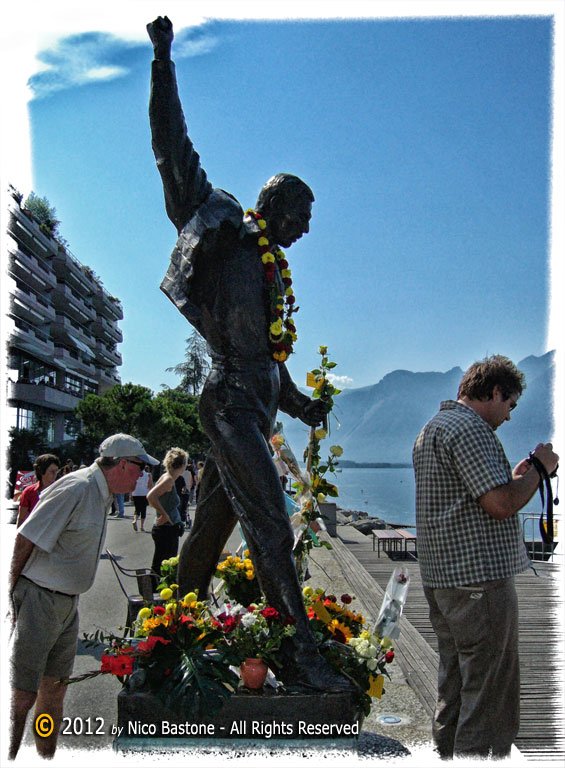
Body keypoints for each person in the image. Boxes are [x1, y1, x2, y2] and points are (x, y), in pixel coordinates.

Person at [147, 16, 350, 693]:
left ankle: (164, 624)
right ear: (276, 205)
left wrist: (300, 403)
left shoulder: (269, 274)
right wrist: (162, 58)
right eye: (303, 215)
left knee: (210, 529)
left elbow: (270, 358)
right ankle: (300, 654)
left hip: (254, 401)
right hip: (229, 404)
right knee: (268, 521)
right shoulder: (226, 231)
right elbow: (171, 146)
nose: (307, 228)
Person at [413, 355, 559, 760]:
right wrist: (540, 471)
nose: (510, 417)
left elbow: (470, 500)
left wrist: (517, 478)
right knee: (489, 695)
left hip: (443, 579)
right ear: (494, 392)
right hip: (479, 582)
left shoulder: (433, 429)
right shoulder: (471, 431)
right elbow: (499, 504)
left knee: (455, 686)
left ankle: (446, 756)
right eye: (510, 404)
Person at [7, 433, 158, 761]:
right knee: (21, 696)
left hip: (65, 603)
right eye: (140, 468)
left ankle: (45, 756)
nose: (142, 475)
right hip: (40, 598)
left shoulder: (100, 491)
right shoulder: (77, 487)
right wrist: (10, 599)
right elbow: (24, 539)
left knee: (55, 690)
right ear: (121, 465)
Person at [147, 447, 188, 587]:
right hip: (166, 529)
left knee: (162, 564)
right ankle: (155, 592)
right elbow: (151, 496)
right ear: (182, 465)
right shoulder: (169, 480)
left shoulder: (167, 477)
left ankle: (156, 591)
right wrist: (164, 514)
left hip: (167, 528)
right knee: (162, 565)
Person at [16, 454, 60, 528]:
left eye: (57, 471)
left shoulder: (61, 490)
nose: (55, 474)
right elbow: (21, 518)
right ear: (41, 471)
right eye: (52, 471)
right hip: (32, 532)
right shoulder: (29, 491)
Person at [131, 465, 154, 532]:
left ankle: (135, 520)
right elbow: (150, 485)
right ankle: (142, 527)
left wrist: (131, 493)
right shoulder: (148, 475)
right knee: (143, 509)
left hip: (135, 493)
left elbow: (132, 483)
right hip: (144, 494)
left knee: (137, 508)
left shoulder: (135, 474)